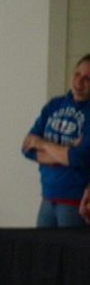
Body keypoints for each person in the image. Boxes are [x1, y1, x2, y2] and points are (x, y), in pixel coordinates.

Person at [22, 53, 90, 227]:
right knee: (42, 252)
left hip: (75, 201)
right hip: (48, 197)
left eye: (87, 78)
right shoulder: (54, 105)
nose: (79, 81)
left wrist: (43, 144)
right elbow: (27, 148)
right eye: (78, 74)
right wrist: (63, 152)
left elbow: (78, 157)